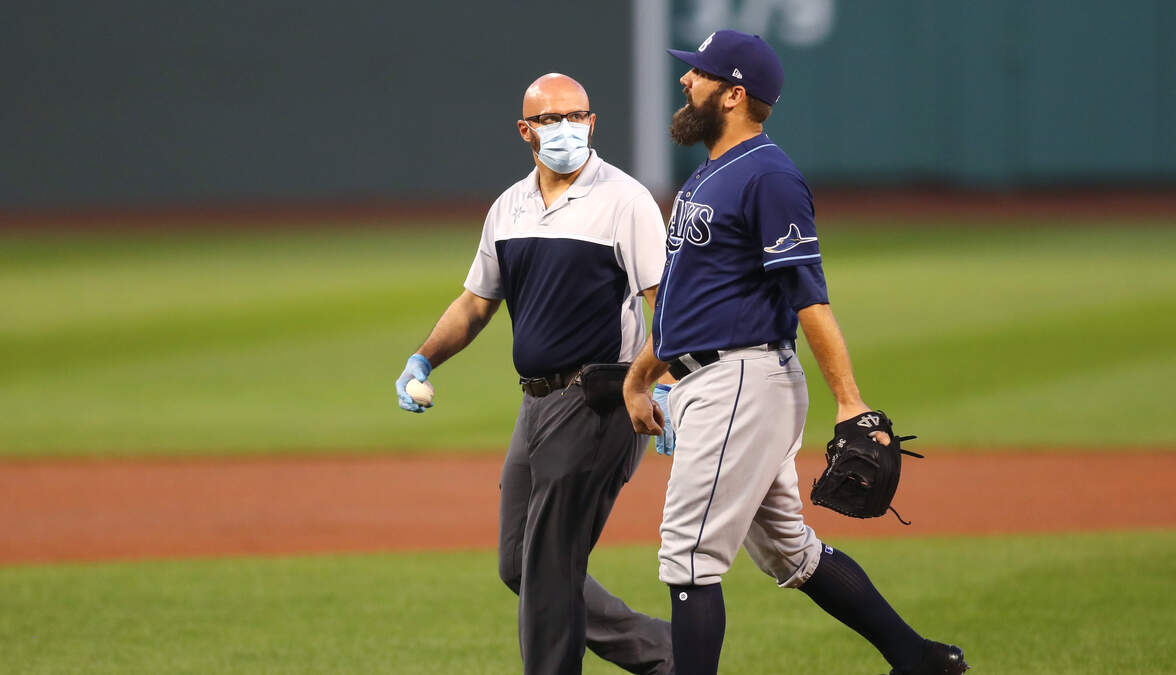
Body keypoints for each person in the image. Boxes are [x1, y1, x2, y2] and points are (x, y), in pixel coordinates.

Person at [621, 31, 970, 675]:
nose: (685, 80)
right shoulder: (710, 174)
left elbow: (809, 297)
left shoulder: (769, 176)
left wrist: (850, 402)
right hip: (714, 381)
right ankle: (915, 658)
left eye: (699, 73)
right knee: (790, 551)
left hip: (739, 382)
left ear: (734, 94)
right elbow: (682, 304)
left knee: (689, 558)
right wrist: (641, 378)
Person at [395, 73, 673, 675]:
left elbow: (667, 306)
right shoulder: (509, 206)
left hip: (599, 397)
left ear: (592, 123)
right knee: (521, 564)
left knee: (549, 568)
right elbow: (476, 303)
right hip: (537, 404)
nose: (566, 128)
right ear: (526, 131)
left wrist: (661, 385)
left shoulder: (625, 201)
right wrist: (423, 358)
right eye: (551, 119)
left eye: (577, 116)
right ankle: (671, 655)